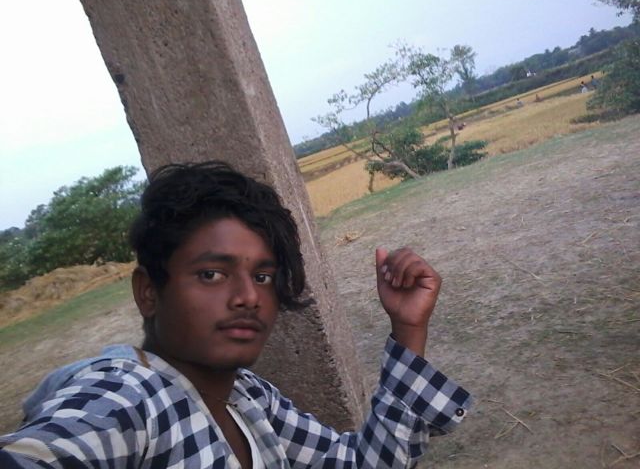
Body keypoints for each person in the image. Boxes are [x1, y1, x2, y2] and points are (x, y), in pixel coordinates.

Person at [0, 161, 471, 468]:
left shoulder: (249, 400)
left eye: (263, 276)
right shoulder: (127, 398)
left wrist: (408, 328)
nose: (248, 296)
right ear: (148, 292)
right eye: (211, 274)